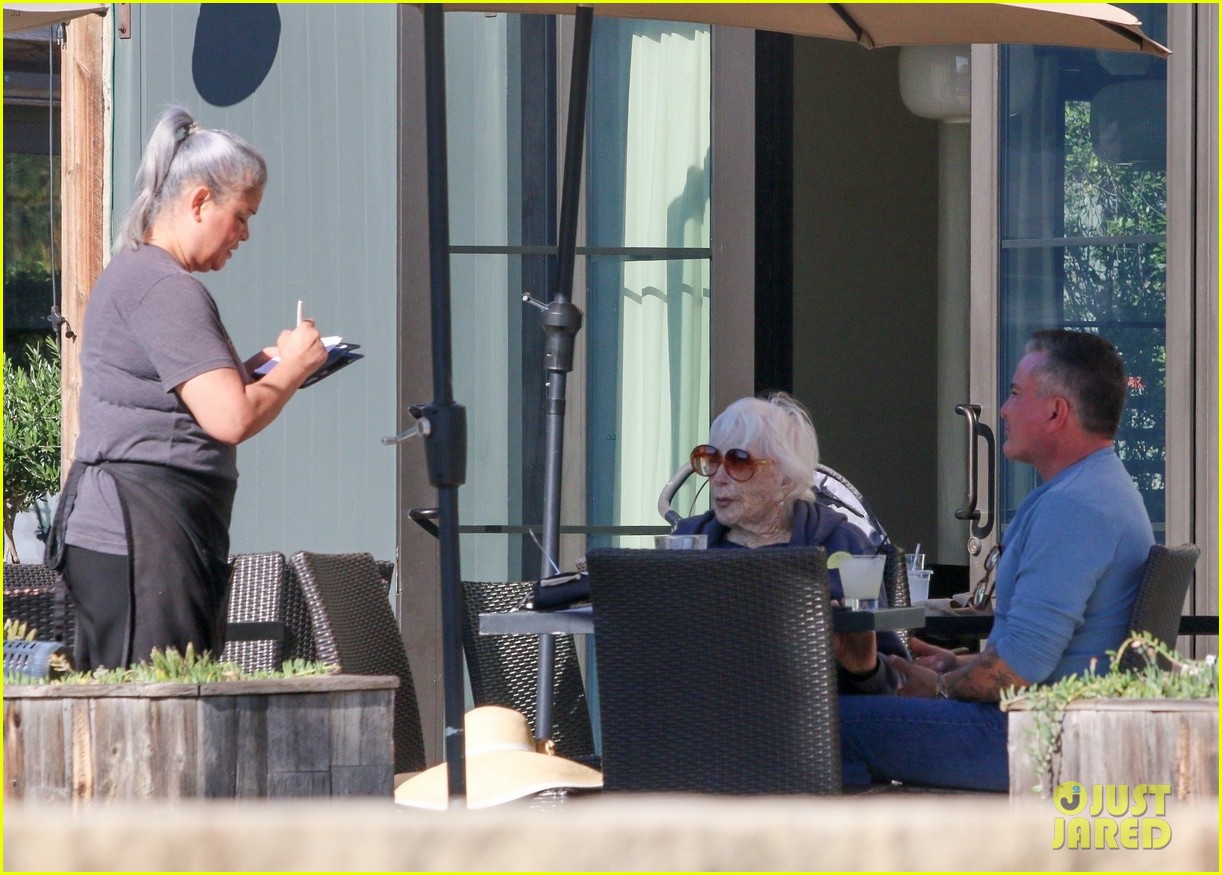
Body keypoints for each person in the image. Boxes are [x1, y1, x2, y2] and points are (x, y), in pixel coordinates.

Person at [45, 106, 328, 671]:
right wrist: (293, 370)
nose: (245, 234)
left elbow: (181, 399)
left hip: (148, 535)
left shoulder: (143, 276)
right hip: (140, 540)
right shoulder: (163, 288)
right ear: (200, 201)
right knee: (154, 712)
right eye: (242, 215)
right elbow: (229, 419)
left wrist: (256, 370)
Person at [838, 329, 1155, 791]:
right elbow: (1033, 656)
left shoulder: (1074, 507)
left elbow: (1015, 673)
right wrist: (955, 664)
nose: (1004, 410)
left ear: (1055, 411)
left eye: (1015, 393)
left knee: (828, 724)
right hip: (1056, 732)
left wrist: (941, 687)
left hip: (1034, 742)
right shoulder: (1100, 488)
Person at [671, 391, 907, 694]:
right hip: (706, 718)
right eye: (711, 459)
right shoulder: (687, 543)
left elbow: (893, 682)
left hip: (819, 724)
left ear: (785, 479)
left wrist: (863, 670)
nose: (718, 477)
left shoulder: (842, 545)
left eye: (739, 462)